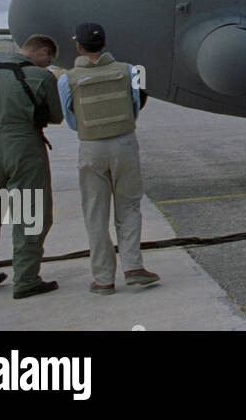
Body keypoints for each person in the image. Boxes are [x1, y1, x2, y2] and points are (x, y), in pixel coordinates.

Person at [57, 23, 159, 294]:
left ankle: (103, 279)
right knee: (128, 206)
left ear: (78, 46)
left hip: (90, 146)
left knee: (95, 212)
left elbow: (70, 120)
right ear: (104, 43)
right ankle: (134, 267)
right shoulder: (129, 70)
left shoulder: (67, 78)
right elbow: (135, 106)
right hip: (124, 142)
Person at [0, 34, 63, 299]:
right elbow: (56, 116)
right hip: (23, 146)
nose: (48, 64)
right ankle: (26, 278)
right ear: (42, 52)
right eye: (49, 59)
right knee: (31, 212)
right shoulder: (42, 77)